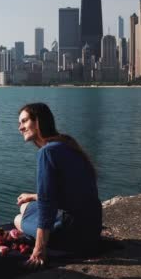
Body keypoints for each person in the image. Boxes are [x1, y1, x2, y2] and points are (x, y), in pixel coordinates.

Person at [14, 102, 102, 269]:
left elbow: (47, 206)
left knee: (18, 219)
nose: (20, 127)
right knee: (24, 206)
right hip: (92, 227)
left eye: (24, 121)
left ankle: (47, 240)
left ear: (38, 121)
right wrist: (33, 196)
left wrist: (39, 249)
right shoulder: (66, 143)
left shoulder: (47, 152)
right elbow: (72, 192)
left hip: (74, 233)